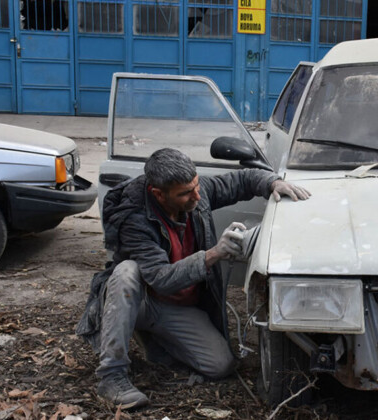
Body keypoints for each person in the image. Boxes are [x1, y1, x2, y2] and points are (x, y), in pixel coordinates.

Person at [76, 148, 310, 409]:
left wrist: (272, 182)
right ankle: (112, 376)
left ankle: (155, 342)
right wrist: (213, 254)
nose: (197, 196)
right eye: (186, 193)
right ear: (158, 194)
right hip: (142, 300)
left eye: (196, 186)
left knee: (221, 364)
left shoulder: (196, 191)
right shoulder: (134, 218)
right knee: (126, 272)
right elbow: (161, 279)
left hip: (175, 306)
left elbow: (242, 180)